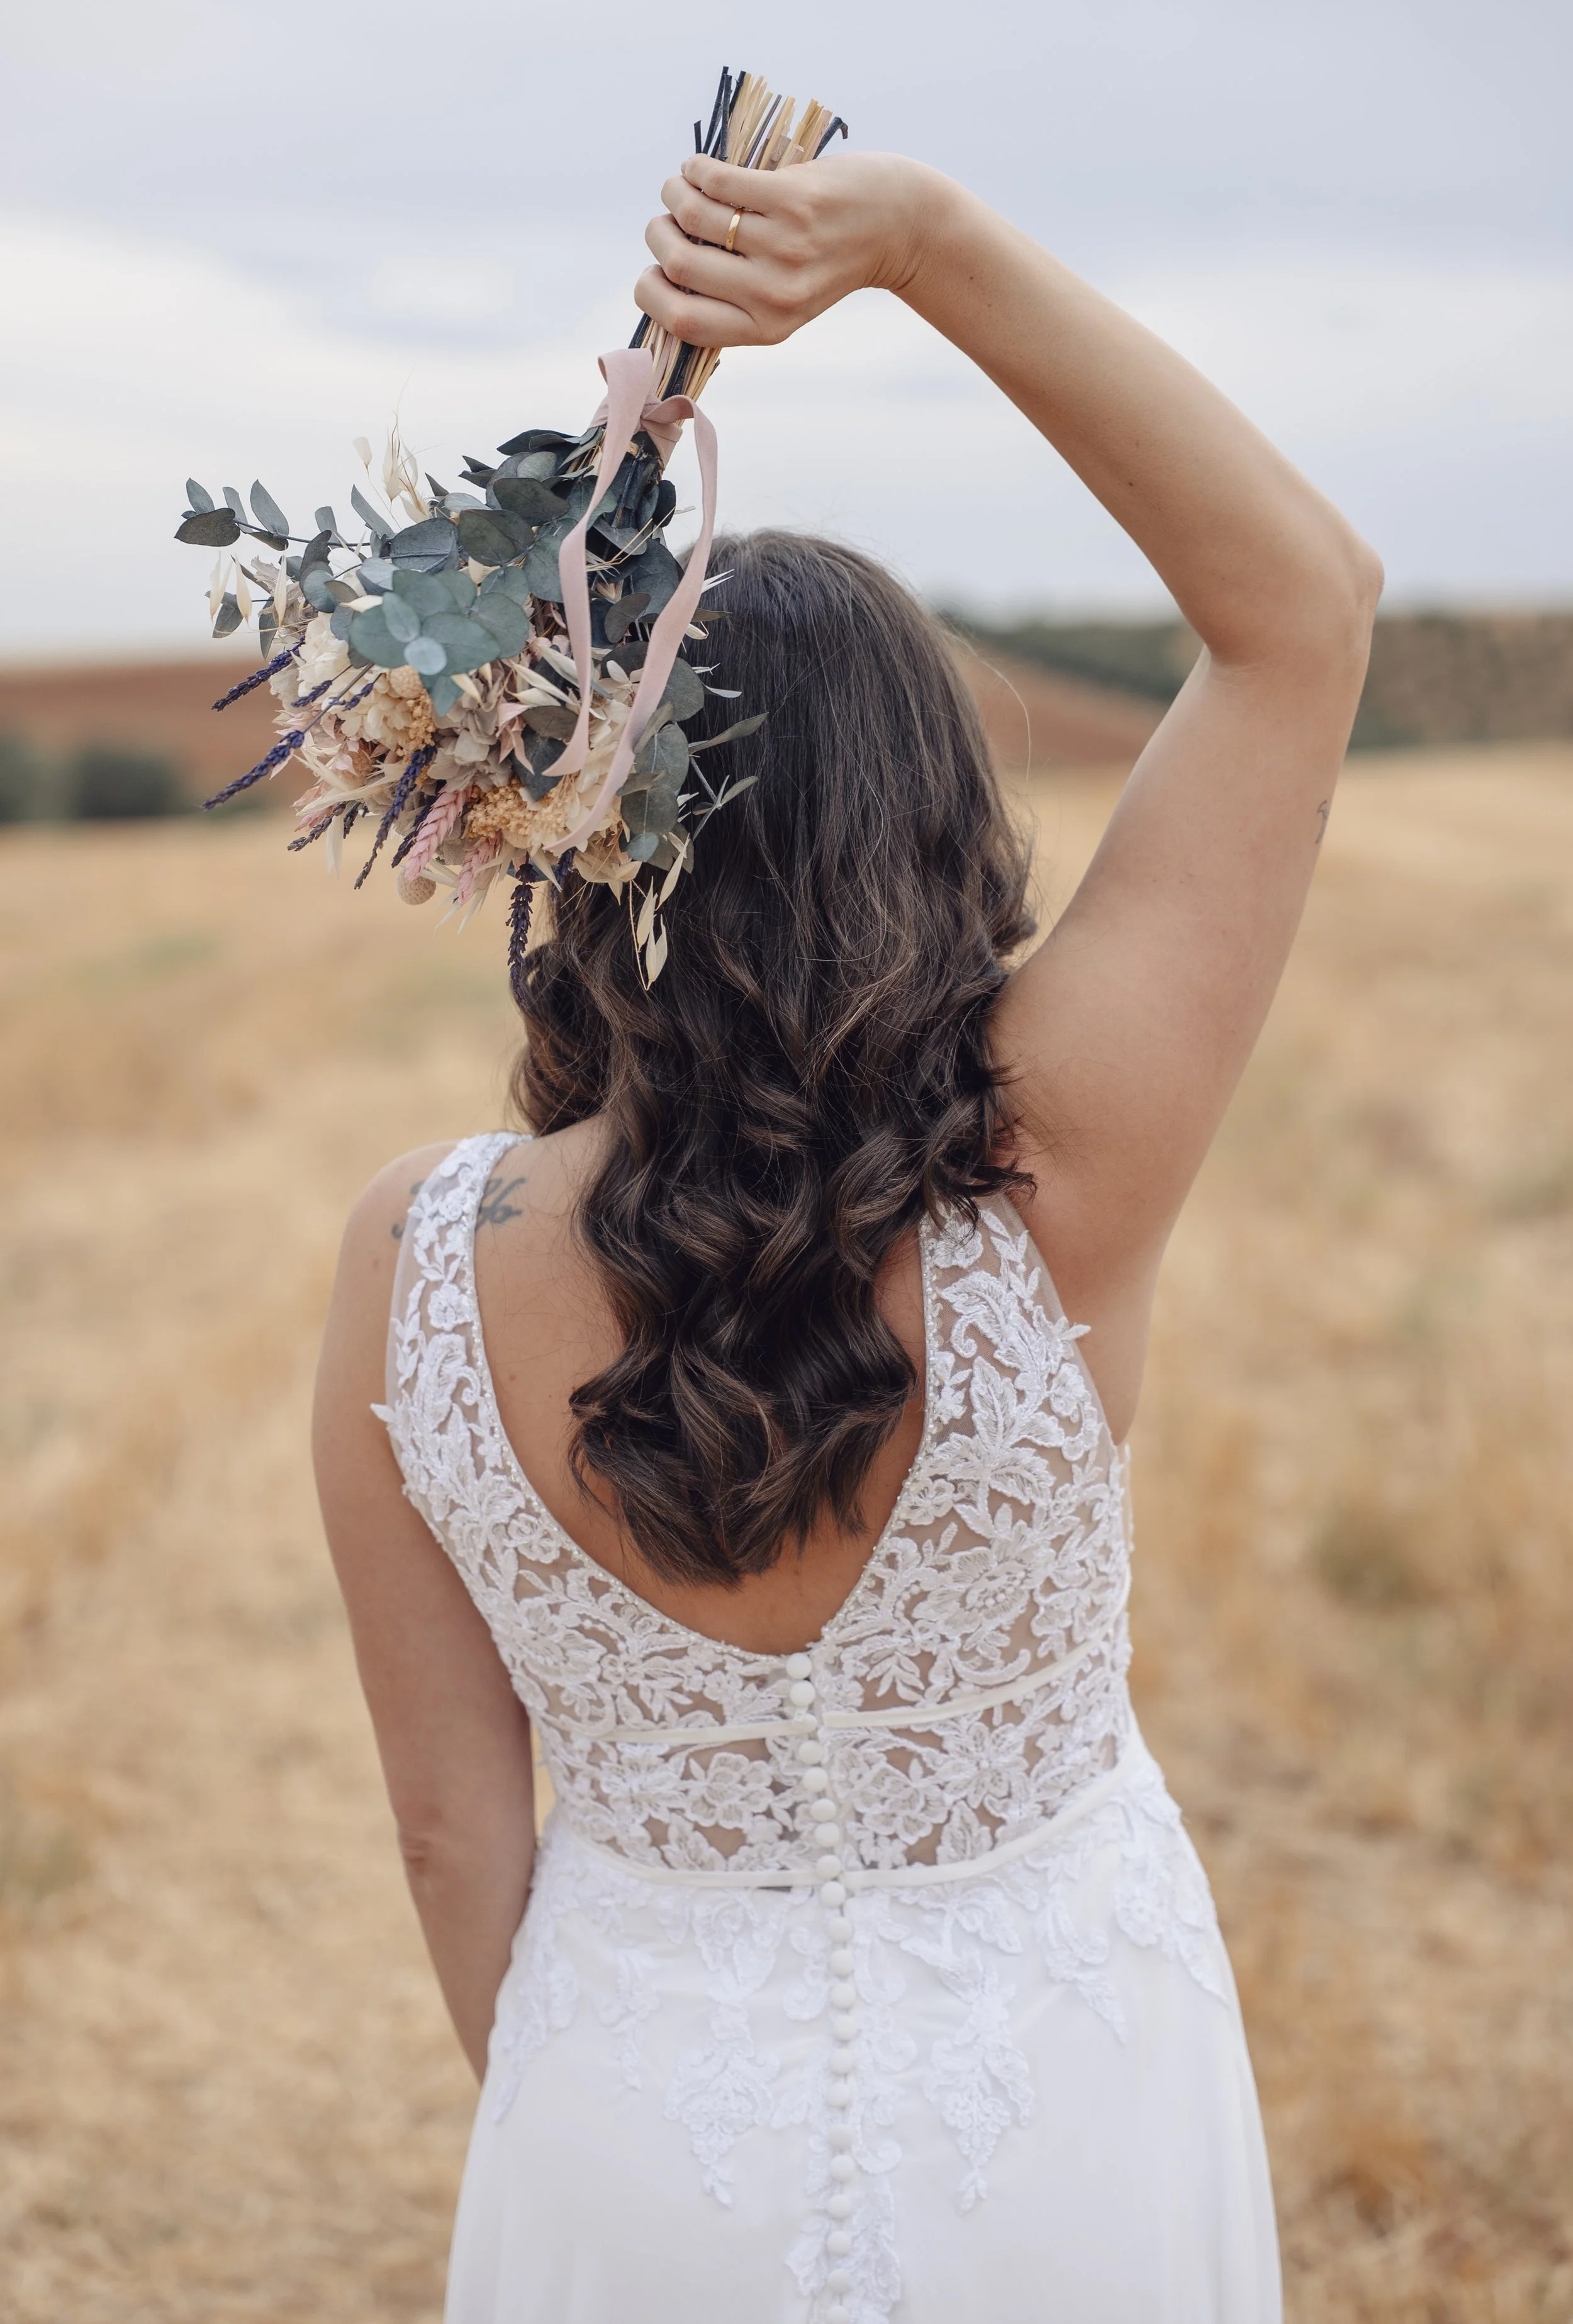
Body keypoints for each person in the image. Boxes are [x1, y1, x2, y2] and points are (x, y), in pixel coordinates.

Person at [313, 143, 1380, 2324]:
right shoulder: (1058, 1166)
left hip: (627, 2127)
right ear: (931, 816)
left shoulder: (404, 1265)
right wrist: (921, 246)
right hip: (1066, 2114)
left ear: (578, 834)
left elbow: (452, 1839)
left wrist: (593, 2129)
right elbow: (1304, 602)